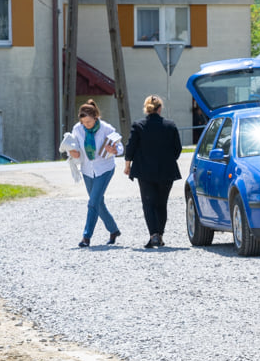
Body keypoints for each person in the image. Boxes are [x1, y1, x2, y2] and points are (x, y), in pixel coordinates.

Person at [123, 94, 182, 248]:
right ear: (160, 109)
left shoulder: (138, 125)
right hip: (166, 171)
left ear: (146, 109)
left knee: (148, 204)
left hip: (144, 171)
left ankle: (153, 235)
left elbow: (131, 147)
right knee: (161, 204)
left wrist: (127, 165)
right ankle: (160, 235)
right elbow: (178, 149)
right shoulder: (170, 125)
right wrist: (169, 160)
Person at [69, 99, 122, 248]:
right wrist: (73, 152)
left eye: (89, 122)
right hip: (87, 170)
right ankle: (114, 230)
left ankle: (86, 237)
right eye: (83, 122)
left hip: (104, 169)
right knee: (98, 202)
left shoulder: (106, 128)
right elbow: (76, 150)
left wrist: (115, 151)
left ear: (96, 117)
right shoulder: (77, 129)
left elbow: (120, 147)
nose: (86, 125)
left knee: (92, 203)